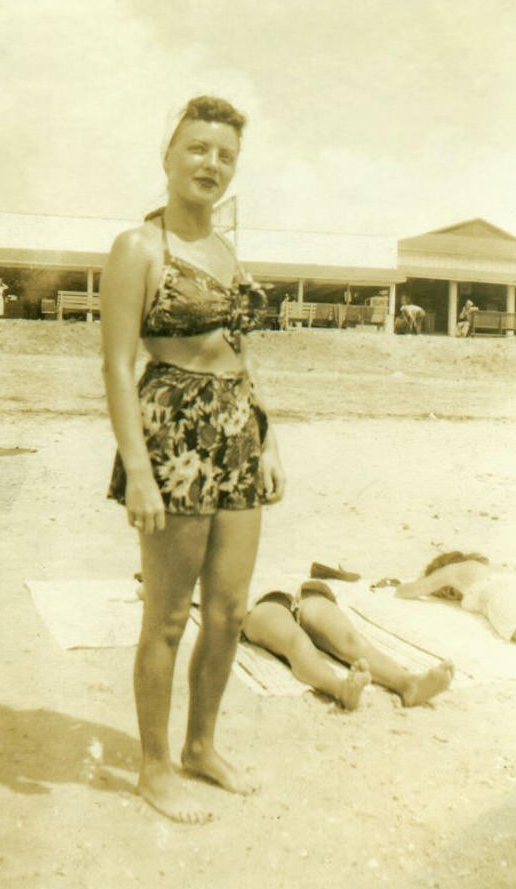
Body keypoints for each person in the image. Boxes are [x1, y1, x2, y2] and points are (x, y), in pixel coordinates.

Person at [100, 96, 285, 824]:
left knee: (231, 609)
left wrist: (267, 436)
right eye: (198, 148)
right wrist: (138, 469)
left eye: (225, 155)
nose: (211, 163)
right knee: (170, 614)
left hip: (237, 429)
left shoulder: (226, 251)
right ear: (169, 156)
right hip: (171, 431)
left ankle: (201, 745)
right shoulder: (138, 247)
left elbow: (240, 354)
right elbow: (116, 366)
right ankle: (153, 766)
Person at [242, 581, 454, 709]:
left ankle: (408, 684)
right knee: (296, 642)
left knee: (349, 639)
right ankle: (339, 689)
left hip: (309, 591)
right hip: (263, 602)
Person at [395, 551, 516, 642]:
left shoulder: (451, 571)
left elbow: (405, 591)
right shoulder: (491, 568)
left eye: (444, 588)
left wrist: (397, 584)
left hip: (504, 600)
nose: (447, 593)